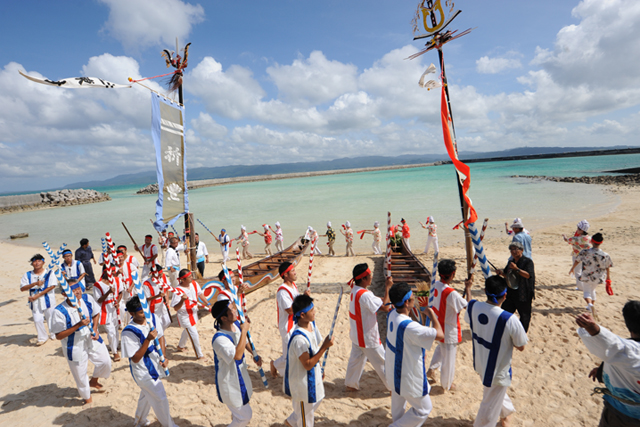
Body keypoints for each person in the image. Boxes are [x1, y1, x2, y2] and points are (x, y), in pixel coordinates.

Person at [465, 275, 528, 427]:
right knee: (489, 406)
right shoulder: (509, 319)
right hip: (497, 368)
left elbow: (470, 303)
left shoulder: (473, 307)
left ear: (485, 291)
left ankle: (506, 414)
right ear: (505, 295)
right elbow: (521, 346)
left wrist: (468, 288)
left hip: (480, 362)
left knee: (493, 392)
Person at [385, 282, 443, 427]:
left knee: (398, 406)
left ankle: (397, 422)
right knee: (424, 409)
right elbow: (440, 334)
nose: (415, 299)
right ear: (406, 302)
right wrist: (432, 314)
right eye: (412, 298)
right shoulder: (410, 327)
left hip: (393, 371)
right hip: (407, 376)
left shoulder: (392, 314)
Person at [576, 301, 640, 425]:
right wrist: (601, 370)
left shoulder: (630, 351)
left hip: (622, 416)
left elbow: (613, 347)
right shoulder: (626, 354)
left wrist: (591, 327)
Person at [51, 279, 112, 405]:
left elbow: (96, 313)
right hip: (74, 345)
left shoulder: (87, 299)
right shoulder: (59, 311)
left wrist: (95, 328)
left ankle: (94, 381)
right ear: (64, 294)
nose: (77, 292)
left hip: (91, 338)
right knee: (80, 373)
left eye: (78, 288)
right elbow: (58, 335)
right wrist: (78, 325)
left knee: (105, 361)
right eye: (72, 290)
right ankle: (87, 398)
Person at [121, 296, 177, 427]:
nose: (145, 314)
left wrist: (163, 356)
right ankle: (169, 425)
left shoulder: (152, 317)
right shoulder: (128, 332)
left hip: (156, 363)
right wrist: (147, 339)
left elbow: (161, 336)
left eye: (145, 310)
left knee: (146, 394)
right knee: (160, 397)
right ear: (132, 313)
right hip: (143, 370)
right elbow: (135, 358)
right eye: (141, 312)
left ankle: (140, 421)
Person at [284, 294, 334, 427]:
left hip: (312, 377)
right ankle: (294, 421)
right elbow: (307, 364)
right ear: (302, 315)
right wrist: (325, 347)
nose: (314, 312)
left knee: (317, 400)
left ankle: (291, 422)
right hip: (302, 386)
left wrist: (319, 370)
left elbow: (314, 349)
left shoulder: (310, 325)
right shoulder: (299, 339)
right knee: (306, 420)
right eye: (311, 311)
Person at [211, 299, 263, 427]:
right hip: (230, 381)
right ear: (223, 318)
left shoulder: (235, 327)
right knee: (245, 416)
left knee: (240, 413)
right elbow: (237, 355)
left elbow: (243, 342)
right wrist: (244, 330)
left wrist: (254, 354)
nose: (235, 310)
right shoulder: (220, 339)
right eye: (231, 310)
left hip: (241, 375)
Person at [426, 259, 472, 391]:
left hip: (438, 325)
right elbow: (468, 307)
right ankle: (447, 384)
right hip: (449, 328)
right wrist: (468, 289)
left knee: (441, 349)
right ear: (452, 274)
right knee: (449, 358)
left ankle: (432, 368)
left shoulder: (434, 285)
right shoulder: (451, 293)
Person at [345, 263, 392, 392]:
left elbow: (376, 300)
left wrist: (384, 298)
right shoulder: (365, 295)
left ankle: (351, 384)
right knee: (382, 361)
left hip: (356, 334)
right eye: (370, 275)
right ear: (364, 279)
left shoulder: (355, 289)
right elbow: (386, 308)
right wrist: (387, 288)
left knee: (356, 361)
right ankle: (393, 386)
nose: (371, 277)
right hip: (367, 336)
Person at [271, 261, 306, 378]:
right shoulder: (282, 291)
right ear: (285, 274)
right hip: (288, 326)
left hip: (296, 324)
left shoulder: (293, 285)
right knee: (288, 357)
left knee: (295, 353)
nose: (295, 273)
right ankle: (275, 364)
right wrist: (304, 300)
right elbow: (290, 310)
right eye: (293, 271)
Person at [570, 233, 613, 321]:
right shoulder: (605, 255)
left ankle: (590, 305)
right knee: (592, 290)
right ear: (601, 242)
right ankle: (590, 307)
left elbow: (577, 261)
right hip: (599, 277)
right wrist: (608, 277)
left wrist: (572, 269)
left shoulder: (585, 252)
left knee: (586, 293)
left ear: (591, 241)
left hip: (587, 276)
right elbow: (608, 266)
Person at [497, 241, 535, 333]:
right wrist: (502, 273)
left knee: (524, 316)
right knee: (504, 312)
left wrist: (517, 269)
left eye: (515, 249)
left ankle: (521, 335)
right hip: (511, 293)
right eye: (511, 249)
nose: (513, 251)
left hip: (524, 294)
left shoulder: (527, 261)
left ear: (521, 250)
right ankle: (502, 331)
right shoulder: (511, 262)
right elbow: (508, 276)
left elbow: (529, 275)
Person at [20, 254, 58, 345]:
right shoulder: (28, 274)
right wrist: (34, 284)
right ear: (32, 263)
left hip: (48, 299)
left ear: (43, 262)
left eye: (39, 261)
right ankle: (42, 337)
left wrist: (39, 294)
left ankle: (53, 334)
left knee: (51, 317)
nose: (37, 263)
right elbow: (22, 288)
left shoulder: (49, 272)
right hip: (35, 301)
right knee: (37, 320)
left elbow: (52, 286)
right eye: (35, 261)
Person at [171, 269, 205, 359]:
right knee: (194, 334)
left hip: (193, 312)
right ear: (183, 280)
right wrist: (182, 300)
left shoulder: (194, 283)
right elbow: (175, 308)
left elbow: (200, 294)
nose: (191, 278)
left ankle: (180, 346)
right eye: (189, 277)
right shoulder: (178, 291)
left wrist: (208, 303)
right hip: (185, 316)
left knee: (187, 331)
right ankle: (199, 355)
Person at [93, 268, 122, 361]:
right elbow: (98, 299)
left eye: (114, 271)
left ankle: (114, 346)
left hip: (115, 310)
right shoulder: (97, 285)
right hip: (105, 311)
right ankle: (115, 352)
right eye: (110, 271)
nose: (113, 273)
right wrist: (108, 292)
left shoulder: (116, 280)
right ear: (104, 271)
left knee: (116, 330)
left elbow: (120, 292)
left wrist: (118, 301)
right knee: (111, 332)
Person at [563, 219, 591, 291]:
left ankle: (580, 287)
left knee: (577, 272)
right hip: (587, 256)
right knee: (584, 270)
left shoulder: (576, 239)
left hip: (577, 256)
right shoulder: (589, 238)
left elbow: (567, 240)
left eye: (578, 228)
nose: (577, 230)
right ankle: (584, 283)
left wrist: (564, 236)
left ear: (582, 230)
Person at [144, 265, 172, 331]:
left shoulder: (163, 277)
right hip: (153, 306)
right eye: (160, 274)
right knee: (156, 323)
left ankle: (161, 332)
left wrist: (167, 297)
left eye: (162, 273)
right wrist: (158, 296)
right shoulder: (146, 283)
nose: (161, 275)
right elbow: (148, 298)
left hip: (163, 303)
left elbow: (167, 287)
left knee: (167, 321)